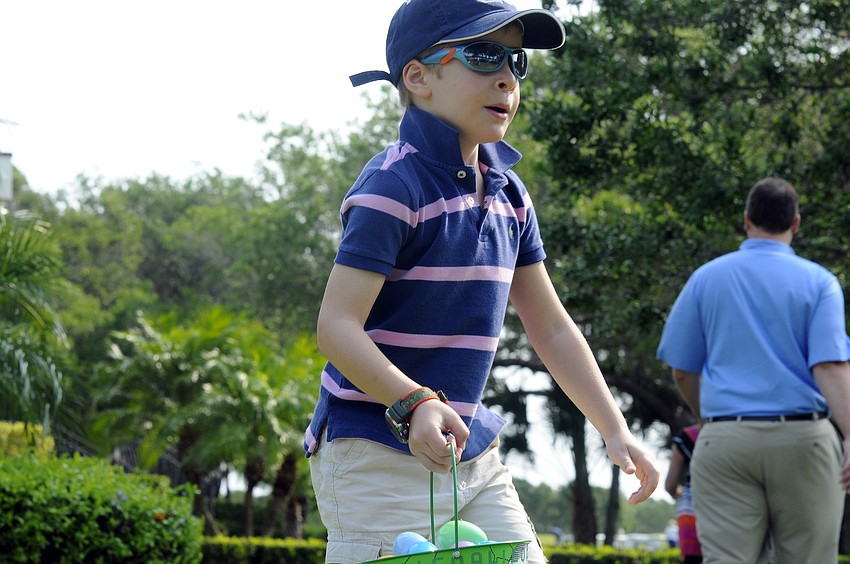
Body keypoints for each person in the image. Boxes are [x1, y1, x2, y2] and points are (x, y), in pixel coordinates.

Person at [303, 1, 660, 562]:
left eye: (516, 61)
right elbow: (336, 328)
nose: (506, 77)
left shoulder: (510, 194)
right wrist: (414, 402)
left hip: (470, 457)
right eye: (483, 54)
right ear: (417, 78)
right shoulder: (391, 186)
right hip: (373, 449)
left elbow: (553, 330)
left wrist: (613, 427)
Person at [656, 177, 850, 564]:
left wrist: (708, 420)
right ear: (795, 223)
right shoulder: (820, 283)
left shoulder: (706, 278)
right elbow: (829, 366)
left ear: (747, 220)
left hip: (725, 440)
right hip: (804, 441)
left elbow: (682, 371)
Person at [664, 424, 702, 563]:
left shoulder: (686, 437)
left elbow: (670, 485)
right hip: (731, 511)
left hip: (692, 515)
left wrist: (678, 494)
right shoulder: (734, 430)